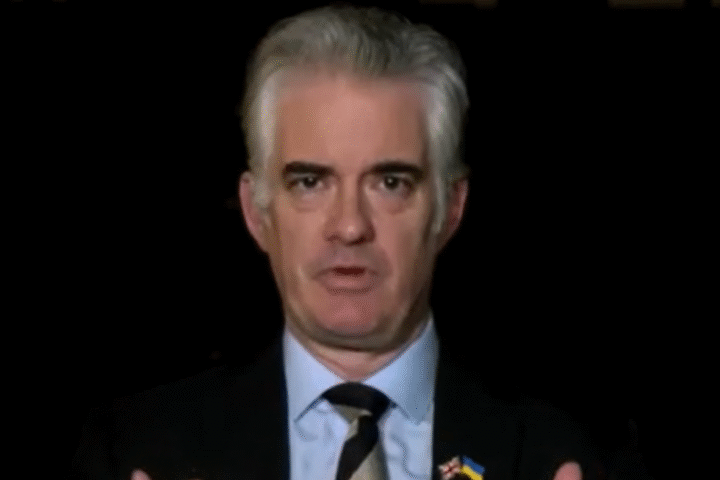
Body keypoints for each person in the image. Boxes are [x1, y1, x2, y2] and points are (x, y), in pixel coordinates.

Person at [72, 5, 650, 480]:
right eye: (310, 182)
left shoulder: (579, 451)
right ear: (256, 211)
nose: (349, 226)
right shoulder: (133, 449)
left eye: (391, 182)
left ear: (450, 208)